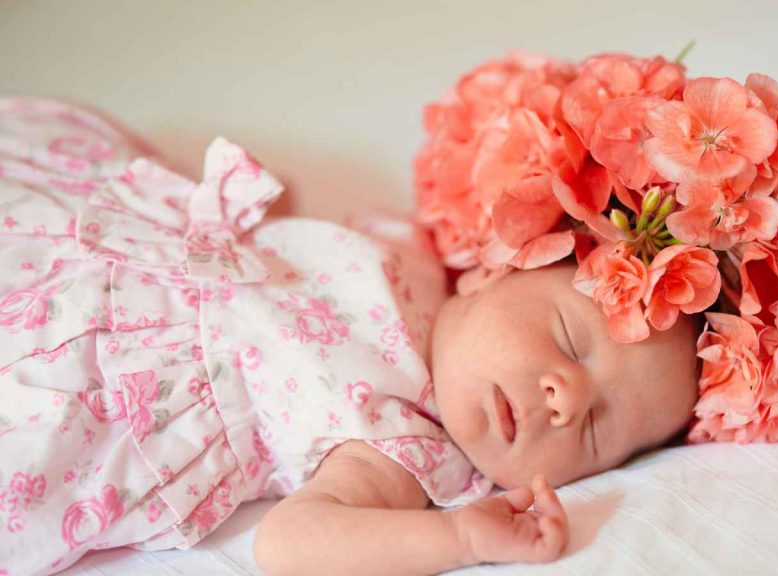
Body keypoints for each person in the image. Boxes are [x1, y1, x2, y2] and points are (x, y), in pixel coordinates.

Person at [0, 96, 699, 576]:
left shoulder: (404, 449)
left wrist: (456, 537)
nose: (565, 399)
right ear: (491, 273)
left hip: (96, 384)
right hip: (106, 252)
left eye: (598, 433)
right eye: (569, 340)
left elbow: (290, 543)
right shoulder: (418, 251)